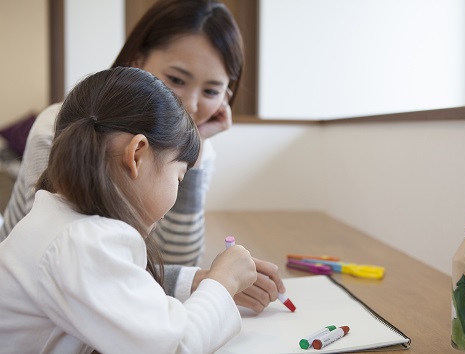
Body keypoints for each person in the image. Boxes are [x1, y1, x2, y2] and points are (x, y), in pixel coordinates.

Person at [0, 0, 284, 313]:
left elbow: (168, 263)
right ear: (137, 62)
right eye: (176, 79)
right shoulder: (62, 129)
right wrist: (215, 285)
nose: (190, 104)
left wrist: (190, 150)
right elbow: (73, 269)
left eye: (211, 91)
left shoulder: (200, 149)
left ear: (226, 97)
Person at [0, 67, 258, 354]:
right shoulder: (83, 241)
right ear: (137, 155)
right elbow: (174, 347)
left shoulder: (61, 223)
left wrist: (198, 282)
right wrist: (223, 281)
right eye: (179, 177)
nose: (177, 188)